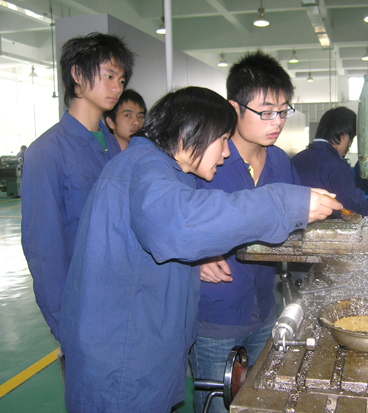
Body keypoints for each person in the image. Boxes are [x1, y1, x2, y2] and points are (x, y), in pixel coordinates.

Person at [58, 86, 341, 413]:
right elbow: (178, 224)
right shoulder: (146, 167)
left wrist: (200, 255)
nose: (226, 152)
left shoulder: (156, 168)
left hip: (135, 352)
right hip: (122, 365)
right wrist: (287, 204)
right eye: (222, 139)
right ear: (187, 134)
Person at [190, 50, 300, 413]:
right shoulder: (206, 161)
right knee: (217, 405)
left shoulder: (280, 162)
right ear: (234, 108)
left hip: (265, 310)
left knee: (261, 402)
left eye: (283, 111)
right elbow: (171, 224)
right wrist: (194, 260)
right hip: (216, 316)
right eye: (266, 111)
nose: (277, 121)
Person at [20, 32, 134, 355]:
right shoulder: (47, 152)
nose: (117, 87)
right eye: (109, 76)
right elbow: (44, 250)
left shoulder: (112, 145)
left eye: (121, 79)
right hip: (82, 312)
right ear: (77, 76)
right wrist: (65, 325)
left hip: (122, 302)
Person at [292, 106, 368, 217]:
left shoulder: (296, 159)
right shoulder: (337, 166)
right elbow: (357, 211)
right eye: (351, 139)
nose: (349, 146)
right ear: (344, 135)